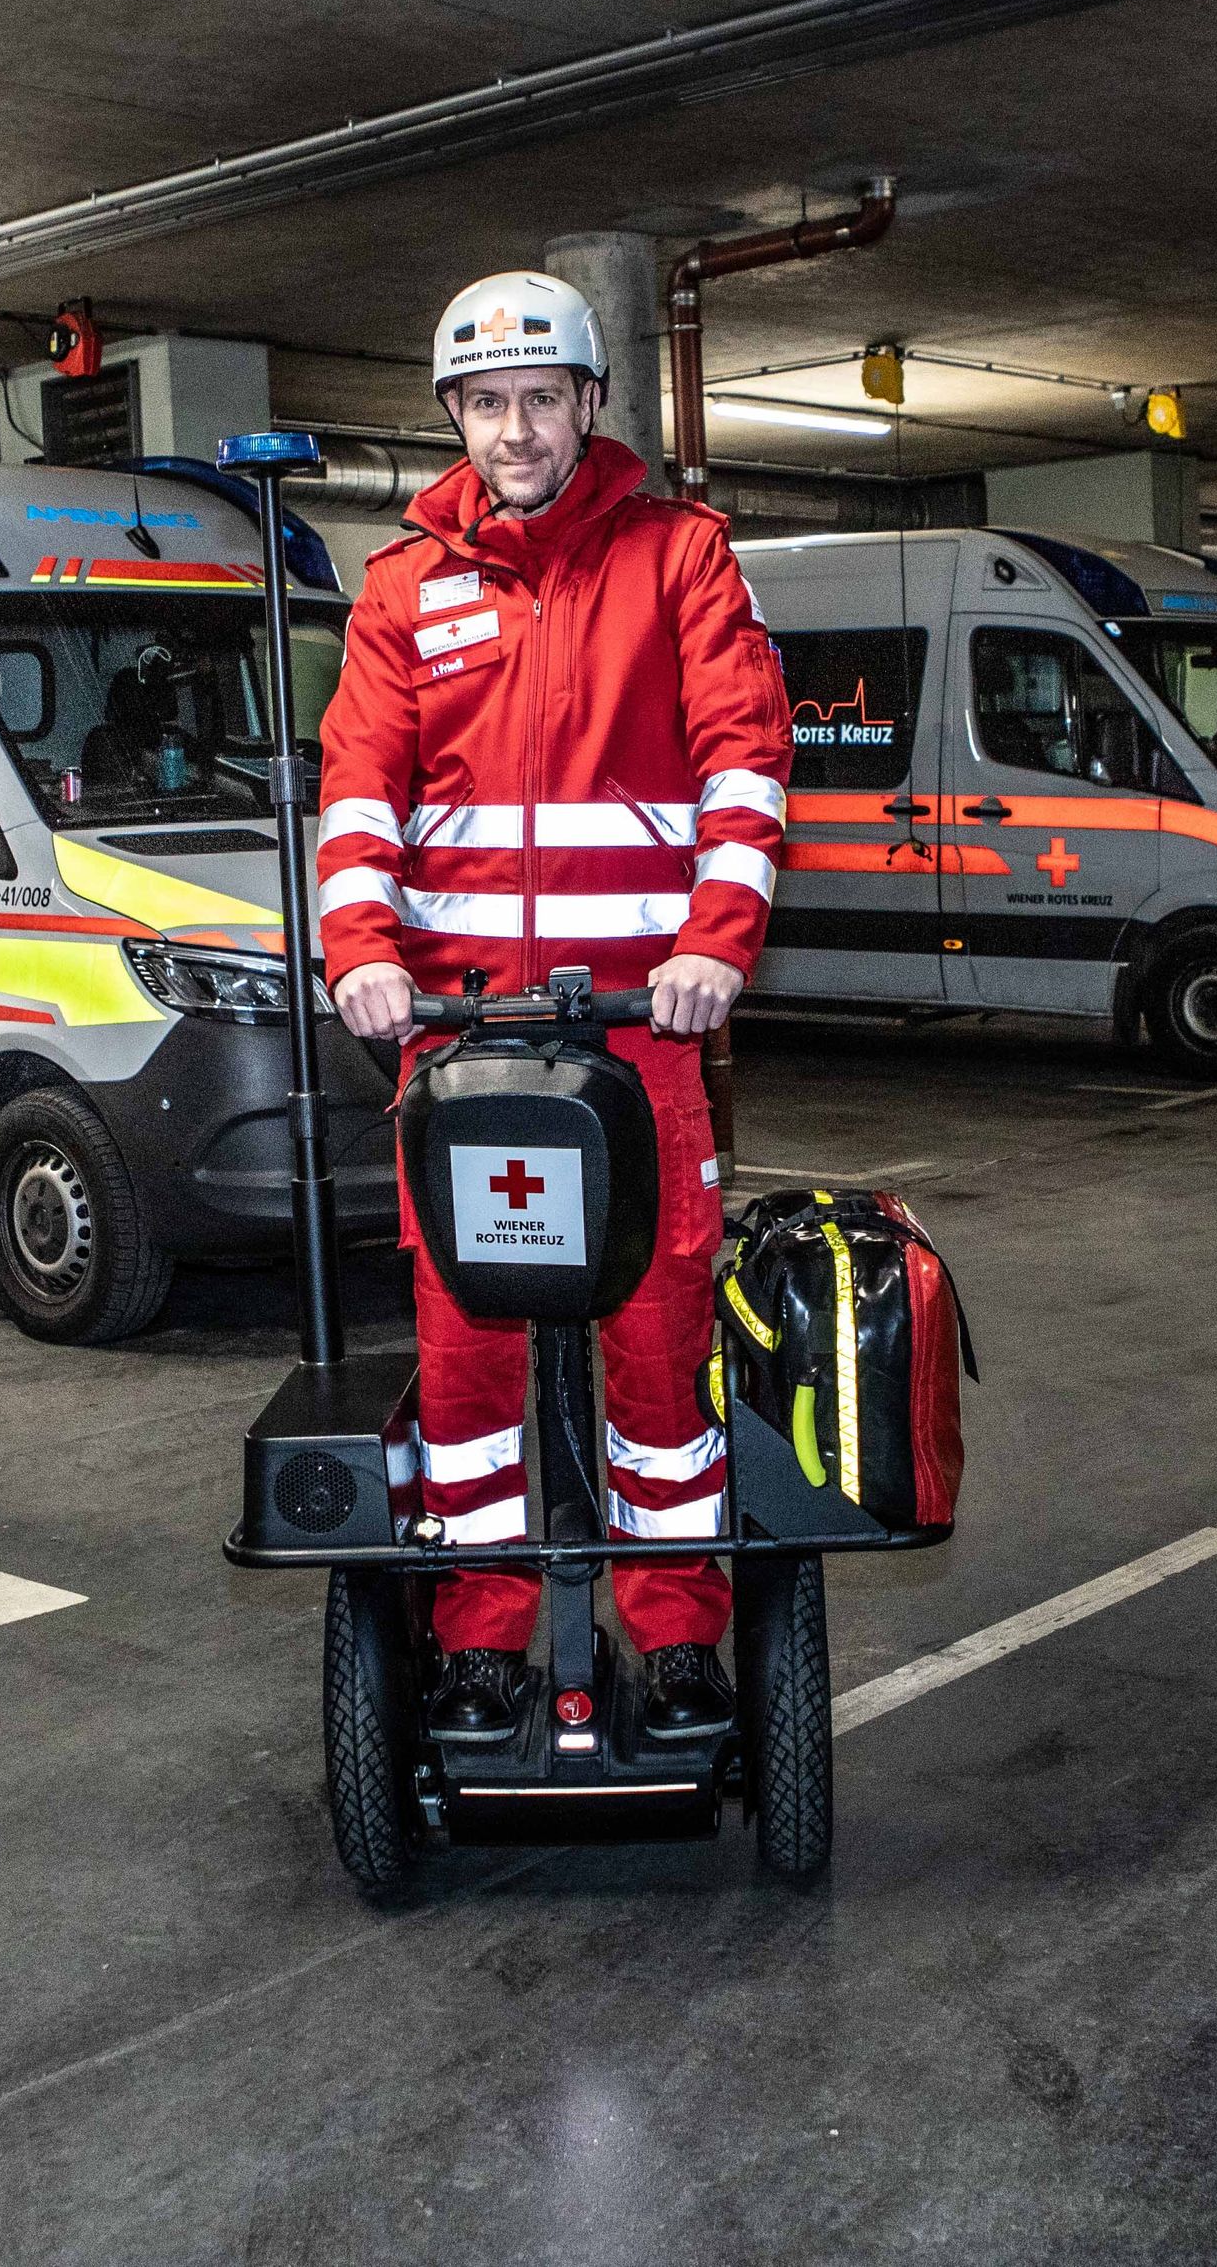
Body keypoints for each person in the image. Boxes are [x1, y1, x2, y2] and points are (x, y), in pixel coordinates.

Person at [316, 270, 795, 1751]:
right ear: (454, 417)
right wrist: (360, 952)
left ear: (590, 402)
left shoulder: (680, 558)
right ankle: (480, 1641)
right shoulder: (404, 587)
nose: (515, 429)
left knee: (659, 1347)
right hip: (463, 1039)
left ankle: (679, 1636)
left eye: (540, 398)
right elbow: (358, 789)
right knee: (466, 1357)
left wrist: (718, 943)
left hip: (642, 1030)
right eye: (486, 404)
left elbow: (744, 761)